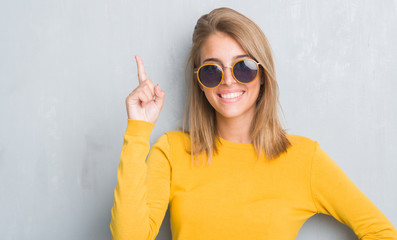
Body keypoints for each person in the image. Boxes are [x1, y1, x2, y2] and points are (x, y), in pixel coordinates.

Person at [110, 7, 397, 240]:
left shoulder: (303, 158)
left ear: (262, 74)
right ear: (200, 83)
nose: (228, 80)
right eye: (212, 71)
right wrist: (138, 129)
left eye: (243, 67)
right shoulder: (172, 150)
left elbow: (382, 233)